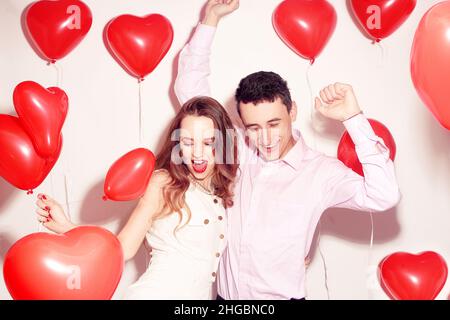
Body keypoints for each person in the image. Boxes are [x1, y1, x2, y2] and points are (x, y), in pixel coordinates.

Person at [174, 0, 401, 300]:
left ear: (292, 111)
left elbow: (384, 194)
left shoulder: (320, 172)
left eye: (273, 123)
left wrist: (353, 118)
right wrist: (210, 19)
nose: (265, 138)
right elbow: (190, 89)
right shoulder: (236, 147)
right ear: (242, 125)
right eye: (253, 127)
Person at [35, 96, 239, 299]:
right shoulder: (164, 182)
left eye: (208, 142)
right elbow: (122, 247)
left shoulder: (219, 194)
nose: (197, 153)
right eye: (188, 142)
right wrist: (68, 228)